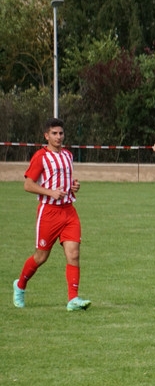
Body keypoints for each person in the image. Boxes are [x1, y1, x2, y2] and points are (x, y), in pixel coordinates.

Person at [13, 117, 92, 311]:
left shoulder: (68, 155)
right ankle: (20, 285)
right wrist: (51, 193)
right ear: (46, 135)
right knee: (41, 257)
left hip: (69, 212)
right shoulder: (40, 156)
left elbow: (66, 181)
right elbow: (28, 184)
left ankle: (73, 299)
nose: (58, 137)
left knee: (73, 254)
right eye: (54, 134)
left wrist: (74, 186)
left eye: (61, 133)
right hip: (48, 213)